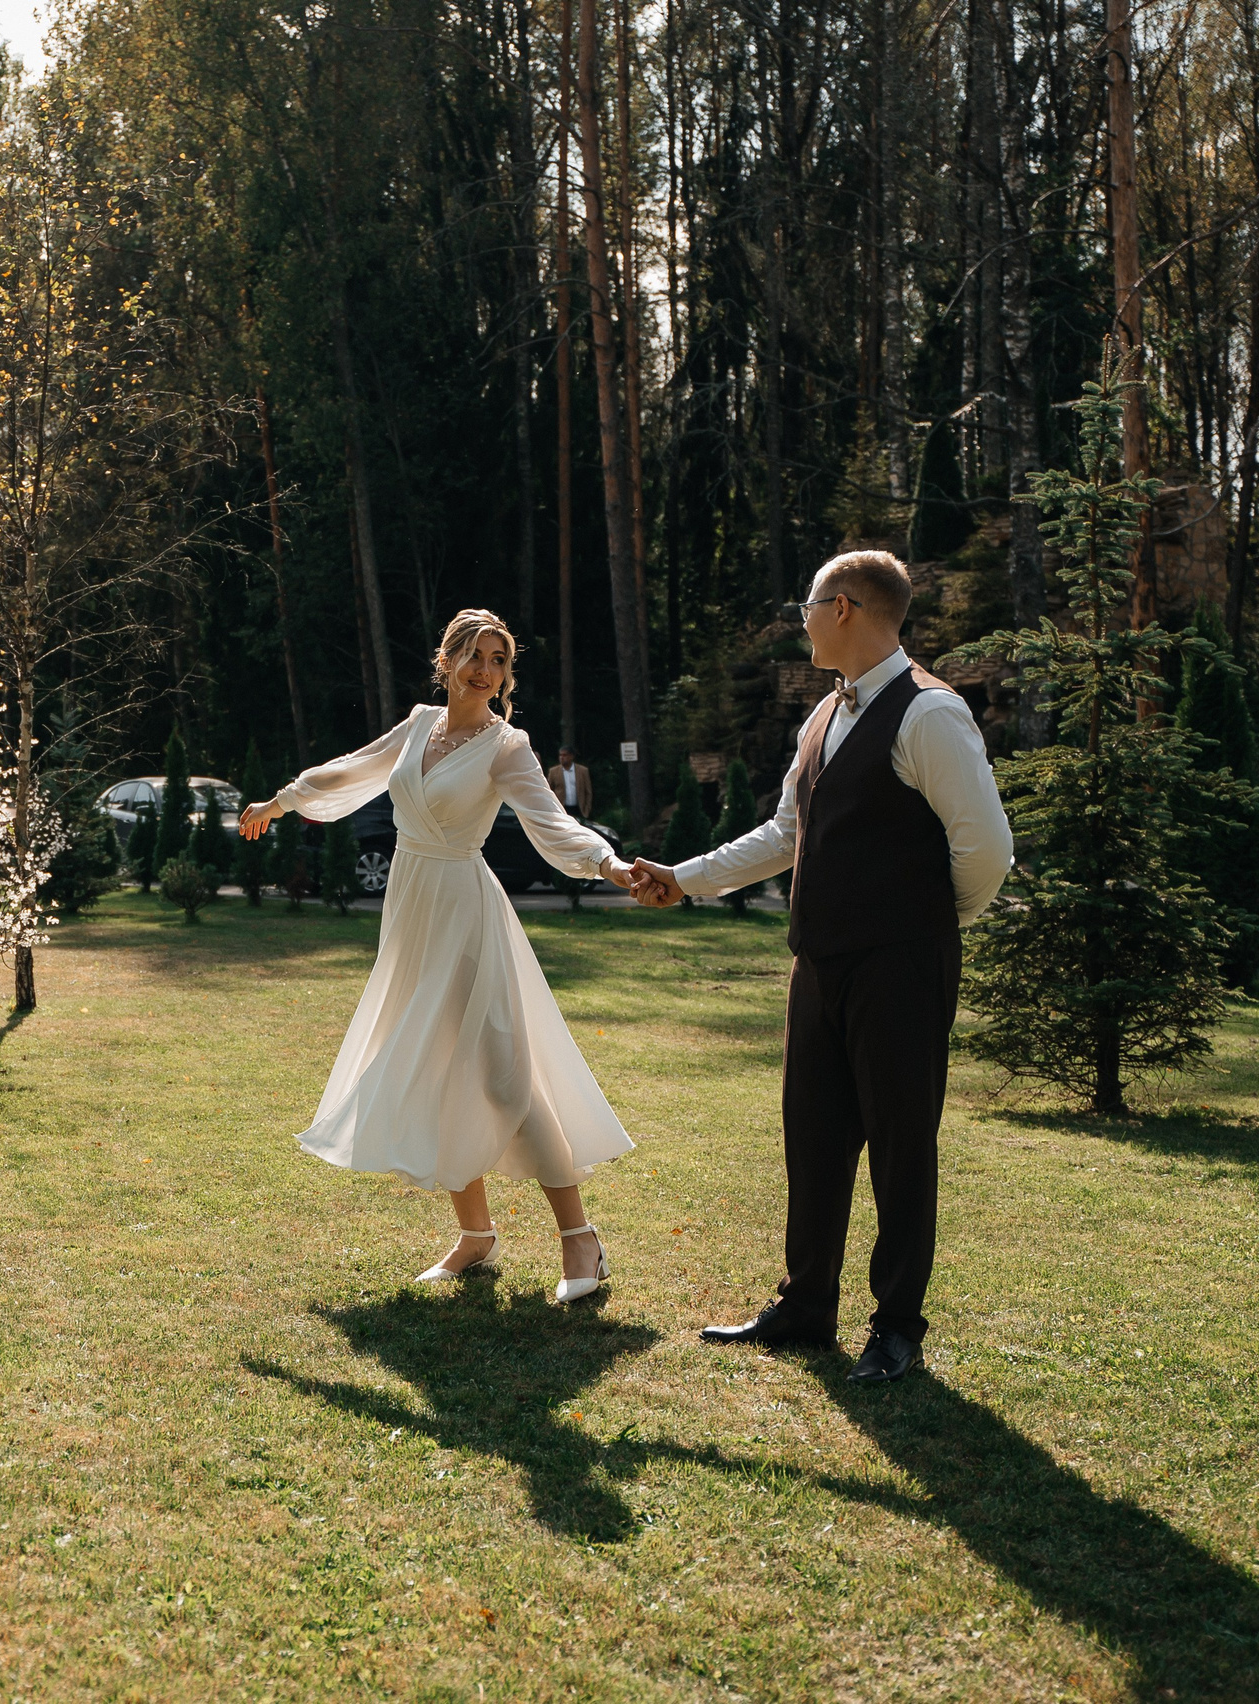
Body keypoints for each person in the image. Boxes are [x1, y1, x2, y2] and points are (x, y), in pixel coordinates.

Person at [627, 551, 1012, 1382]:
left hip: (903, 965)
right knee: (815, 1137)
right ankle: (806, 1307)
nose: (799, 618)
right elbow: (784, 835)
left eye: (806, 604)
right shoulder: (823, 716)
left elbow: (988, 851)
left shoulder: (930, 715)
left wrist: (924, 931)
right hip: (820, 964)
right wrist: (684, 880)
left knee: (903, 1146)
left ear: (843, 608)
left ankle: (898, 1327)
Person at [240, 610, 637, 1301]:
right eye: (475, 656)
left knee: (506, 1076)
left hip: (465, 908)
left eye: (499, 661)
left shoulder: (507, 746)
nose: (487, 670)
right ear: (447, 660)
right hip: (413, 906)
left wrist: (608, 864)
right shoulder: (420, 725)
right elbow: (352, 769)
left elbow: (552, 825)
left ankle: (581, 1241)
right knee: (437, 1065)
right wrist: (280, 802)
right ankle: (475, 1235)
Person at [546, 746, 593, 818]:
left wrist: (586, 810)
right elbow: (549, 790)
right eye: (560, 755)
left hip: (579, 809)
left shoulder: (583, 771)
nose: (561, 757)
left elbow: (588, 792)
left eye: (564, 755)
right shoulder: (553, 771)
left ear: (571, 756)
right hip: (562, 808)